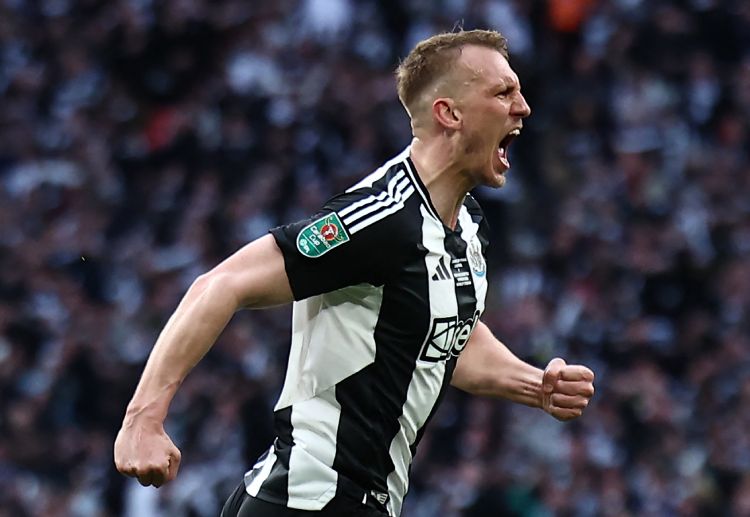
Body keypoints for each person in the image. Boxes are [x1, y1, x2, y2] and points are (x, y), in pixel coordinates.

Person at [114, 29, 595, 517]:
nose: (523, 107)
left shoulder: (467, 226)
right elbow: (219, 285)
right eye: (503, 92)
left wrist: (535, 386)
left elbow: (451, 338)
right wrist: (142, 419)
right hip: (309, 499)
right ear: (449, 113)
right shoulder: (379, 218)